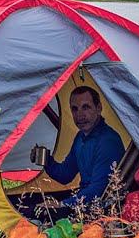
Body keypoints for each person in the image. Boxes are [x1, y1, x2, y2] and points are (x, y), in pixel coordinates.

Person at [27, 86, 125, 221]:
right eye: (75, 109)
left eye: (86, 107)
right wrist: (46, 161)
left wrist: (61, 205)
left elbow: (99, 190)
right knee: (30, 207)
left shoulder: (108, 141)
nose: (80, 115)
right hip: (82, 200)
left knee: (38, 213)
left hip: (99, 207)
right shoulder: (81, 137)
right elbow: (65, 175)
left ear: (99, 108)